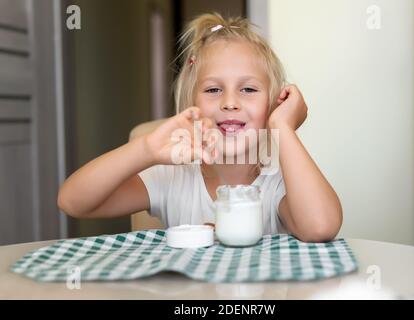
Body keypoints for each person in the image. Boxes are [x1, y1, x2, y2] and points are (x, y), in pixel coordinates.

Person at [57, 12, 342, 242]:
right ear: (192, 105)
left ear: (272, 105)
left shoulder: (277, 183)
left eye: (248, 89)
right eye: (214, 90)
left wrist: (284, 127)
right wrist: (145, 149)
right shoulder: (172, 179)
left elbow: (321, 227)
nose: (230, 102)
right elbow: (73, 201)